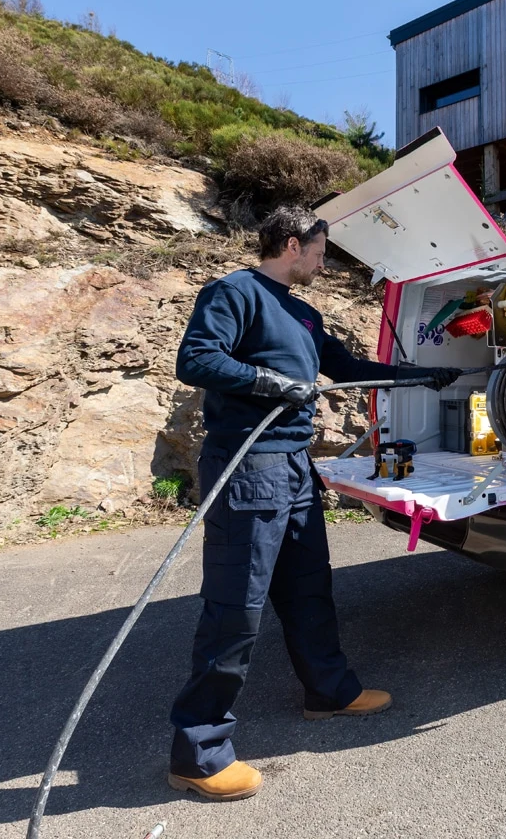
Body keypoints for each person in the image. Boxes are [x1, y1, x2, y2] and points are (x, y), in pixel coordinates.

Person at [166, 205, 458, 801]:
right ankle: (197, 754)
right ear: (293, 245)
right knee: (236, 608)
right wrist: (268, 383)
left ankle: (329, 691)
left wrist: (414, 376)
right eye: (321, 253)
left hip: (296, 469)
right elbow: (195, 358)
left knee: (309, 588)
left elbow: (345, 366)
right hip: (248, 467)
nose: (324, 264)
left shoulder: (302, 312)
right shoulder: (234, 292)